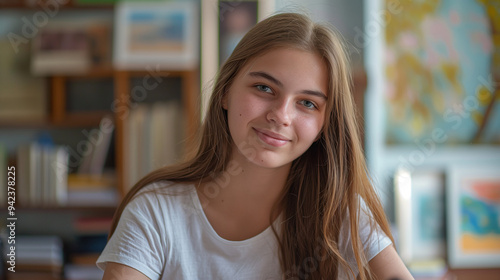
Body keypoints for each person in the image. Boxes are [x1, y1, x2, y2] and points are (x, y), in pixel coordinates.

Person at [97, 12, 414, 280]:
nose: (281, 115)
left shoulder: (340, 213)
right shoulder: (155, 212)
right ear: (224, 92)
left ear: (324, 125)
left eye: (307, 103)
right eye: (264, 88)